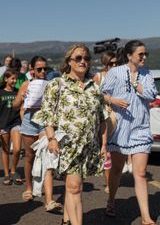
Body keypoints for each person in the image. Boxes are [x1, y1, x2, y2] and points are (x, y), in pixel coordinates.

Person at [32, 44, 106, 225]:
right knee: (74, 188)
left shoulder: (94, 87)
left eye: (86, 58)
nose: (83, 61)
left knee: (73, 188)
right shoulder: (57, 84)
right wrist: (51, 139)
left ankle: (66, 221)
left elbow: (102, 118)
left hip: (89, 146)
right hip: (66, 145)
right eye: (78, 58)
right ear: (69, 61)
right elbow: (48, 115)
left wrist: (103, 144)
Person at [102, 40, 158, 225]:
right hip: (120, 129)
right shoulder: (115, 72)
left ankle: (145, 217)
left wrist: (136, 85)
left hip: (141, 128)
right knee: (116, 170)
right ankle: (111, 200)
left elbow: (151, 94)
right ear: (129, 55)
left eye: (145, 54)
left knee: (140, 173)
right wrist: (114, 101)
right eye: (140, 54)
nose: (144, 57)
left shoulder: (146, 73)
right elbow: (101, 94)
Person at [12, 56, 61, 211]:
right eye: (39, 69)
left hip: (45, 124)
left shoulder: (51, 84)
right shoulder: (26, 84)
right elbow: (14, 106)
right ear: (31, 70)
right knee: (29, 156)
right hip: (29, 121)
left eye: (45, 69)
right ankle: (29, 187)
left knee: (46, 156)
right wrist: (21, 96)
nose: (42, 72)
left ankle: (49, 200)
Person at [92, 51, 117, 194]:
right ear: (104, 63)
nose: (113, 66)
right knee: (106, 150)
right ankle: (108, 183)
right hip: (104, 117)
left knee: (114, 151)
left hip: (119, 116)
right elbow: (92, 95)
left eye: (115, 63)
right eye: (110, 63)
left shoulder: (119, 77)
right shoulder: (99, 77)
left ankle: (112, 178)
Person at [0, 70, 23, 185]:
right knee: (5, 150)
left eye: (15, 79)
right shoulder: (0, 93)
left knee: (17, 149)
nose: (14, 81)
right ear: (6, 79)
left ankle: (14, 171)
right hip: (3, 123)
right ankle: (6, 174)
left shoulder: (18, 92)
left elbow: (21, 108)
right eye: (12, 79)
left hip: (16, 122)